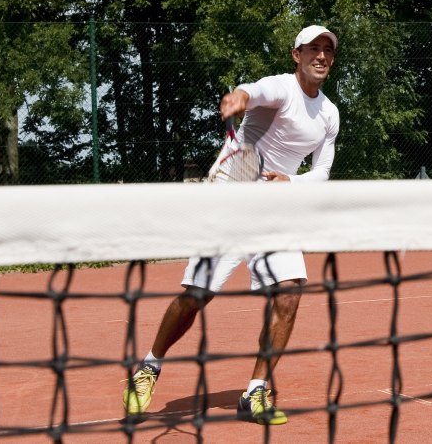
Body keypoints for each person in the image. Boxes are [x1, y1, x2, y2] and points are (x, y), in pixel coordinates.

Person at [122, 25, 341, 425]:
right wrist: (239, 96)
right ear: (297, 55)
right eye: (314, 48)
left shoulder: (329, 113)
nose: (322, 56)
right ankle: (149, 366)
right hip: (235, 188)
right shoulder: (280, 88)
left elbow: (322, 171)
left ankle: (255, 390)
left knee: (290, 293)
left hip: (276, 203)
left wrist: (290, 182)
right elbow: (253, 91)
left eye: (328, 50)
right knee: (196, 296)